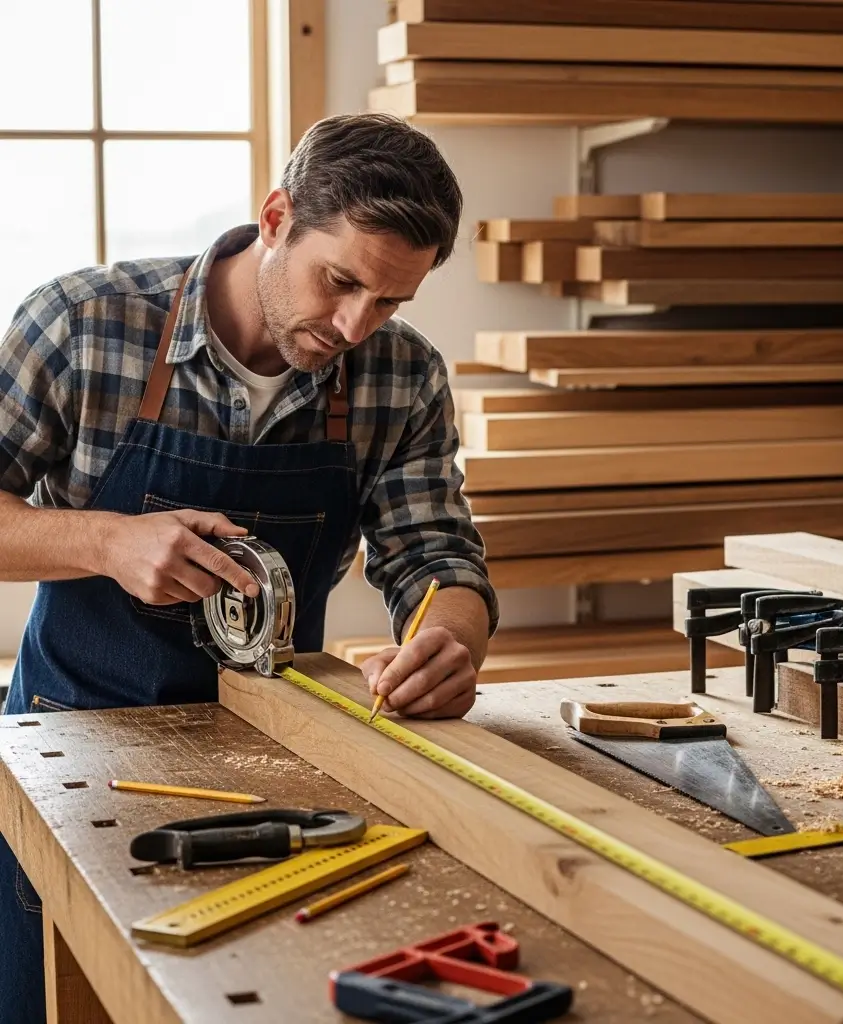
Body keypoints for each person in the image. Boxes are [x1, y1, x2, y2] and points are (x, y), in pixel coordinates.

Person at [0, 111, 499, 1022]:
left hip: (279, 762)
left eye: (389, 302)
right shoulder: (83, 323)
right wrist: (105, 541)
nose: (355, 325)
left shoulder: (402, 376)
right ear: (275, 218)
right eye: (340, 282)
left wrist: (449, 640)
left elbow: (435, 556)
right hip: (75, 748)